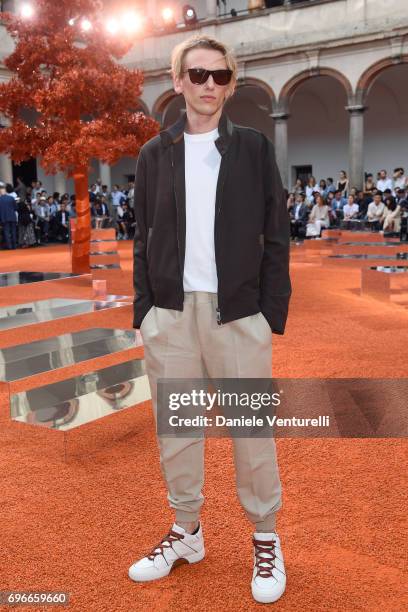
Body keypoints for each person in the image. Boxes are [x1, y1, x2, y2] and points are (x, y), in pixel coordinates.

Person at [129, 34, 291, 604]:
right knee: (178, 431)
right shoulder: (154, 154)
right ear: (177, 82)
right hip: (171, 315)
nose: (208, 86)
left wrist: (269, 311)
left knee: (251, 431)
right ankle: (187, 532)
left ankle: (265, 537)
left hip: (237, 313)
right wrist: (145, 309)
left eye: (220, 77)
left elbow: (276, 231)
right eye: (197, 75)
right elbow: (142, 237)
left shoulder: (251, 147)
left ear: (231, 82)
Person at [0, 183, 18, 249]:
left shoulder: (0, 199)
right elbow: (16, 208)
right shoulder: (11, 198)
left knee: (6, 232)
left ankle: (9, 246)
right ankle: (14, 246)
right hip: (12, 217)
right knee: (13, 231)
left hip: (4, 218)